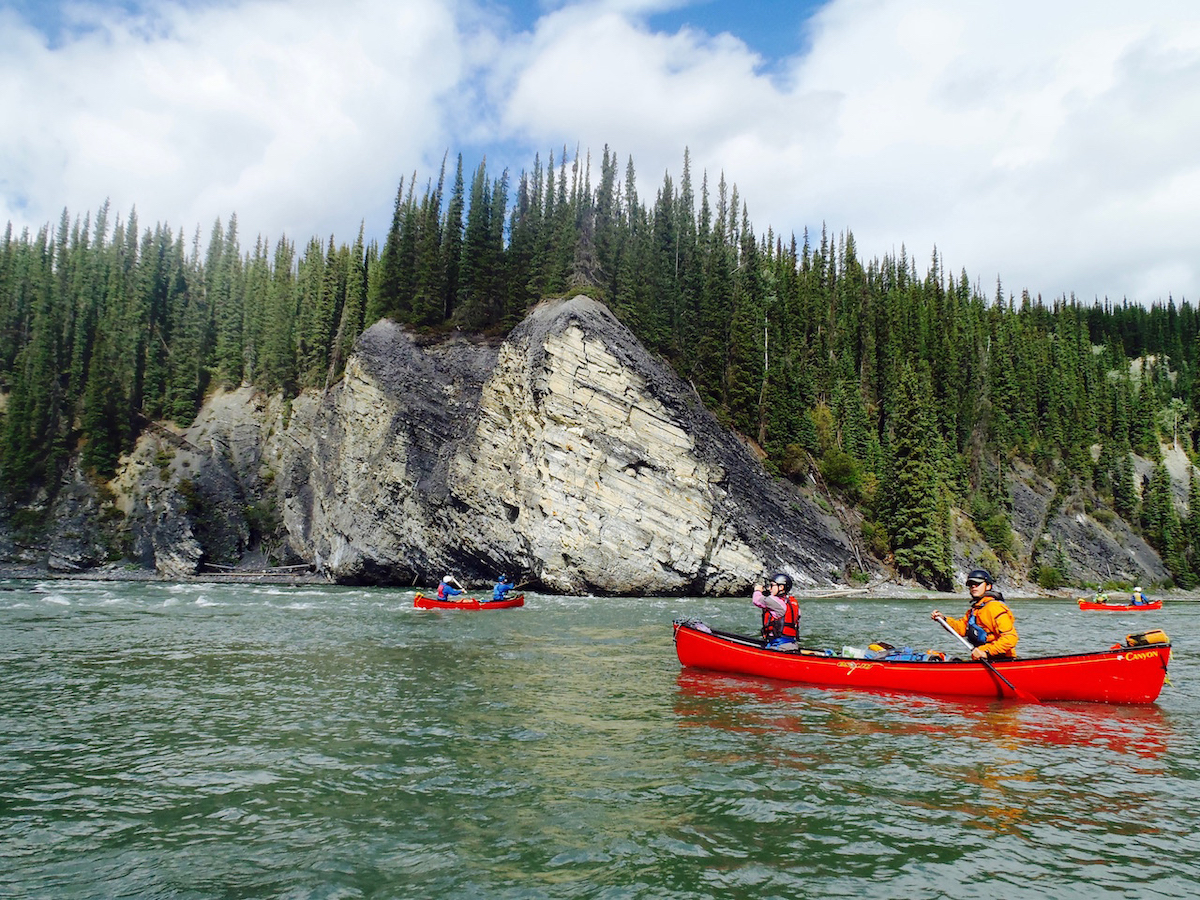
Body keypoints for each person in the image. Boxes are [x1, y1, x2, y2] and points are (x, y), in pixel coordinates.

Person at [931, 568, 1018, 659]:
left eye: (977, 584)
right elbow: (962, 628)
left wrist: (986, 652)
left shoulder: (995, 608)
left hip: (1000, 658)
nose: (973, 587)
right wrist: (944, 620)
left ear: (988, 586)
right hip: (983, 658)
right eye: (971, 585)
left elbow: (1010, 638)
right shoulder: (975, 610)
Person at [752, 573, 800, 649]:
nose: (770, 588)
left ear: (781, 587)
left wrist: (757, 590)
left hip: (780, 645)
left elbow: (756, 600)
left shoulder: (775, 601)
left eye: (772, 585)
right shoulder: (792, 602)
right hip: (791, 644)